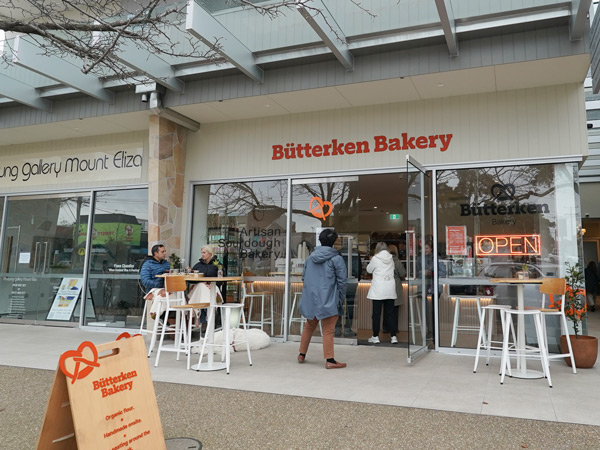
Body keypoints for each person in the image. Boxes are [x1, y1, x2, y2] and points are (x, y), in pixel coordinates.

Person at [297, 229, 347, 369]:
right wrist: (340, 299)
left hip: (311, 299)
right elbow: (342, 282)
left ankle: (302, 354)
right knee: (328, 330)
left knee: (309, 326)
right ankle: (330, 360)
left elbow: (304, 278)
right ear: (334, 242)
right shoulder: (337, 259)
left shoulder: (310, 258)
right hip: (329, 299)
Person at [366, 242, 398, 344]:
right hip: (390, 289)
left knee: (376, 314)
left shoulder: (375, 259)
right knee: (390, 314)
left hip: (378, 289)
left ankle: (375, 336)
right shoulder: (391, 258)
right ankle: (393, 337)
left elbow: (369, 270)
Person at [388, 244, 406, 337]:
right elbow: (402, 273)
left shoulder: (384, 261)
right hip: (395, 285)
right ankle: (394, 329)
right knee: (394, 309)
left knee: (387, 308)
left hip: (386, 285)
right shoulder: (397, 261)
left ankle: (385, 327)